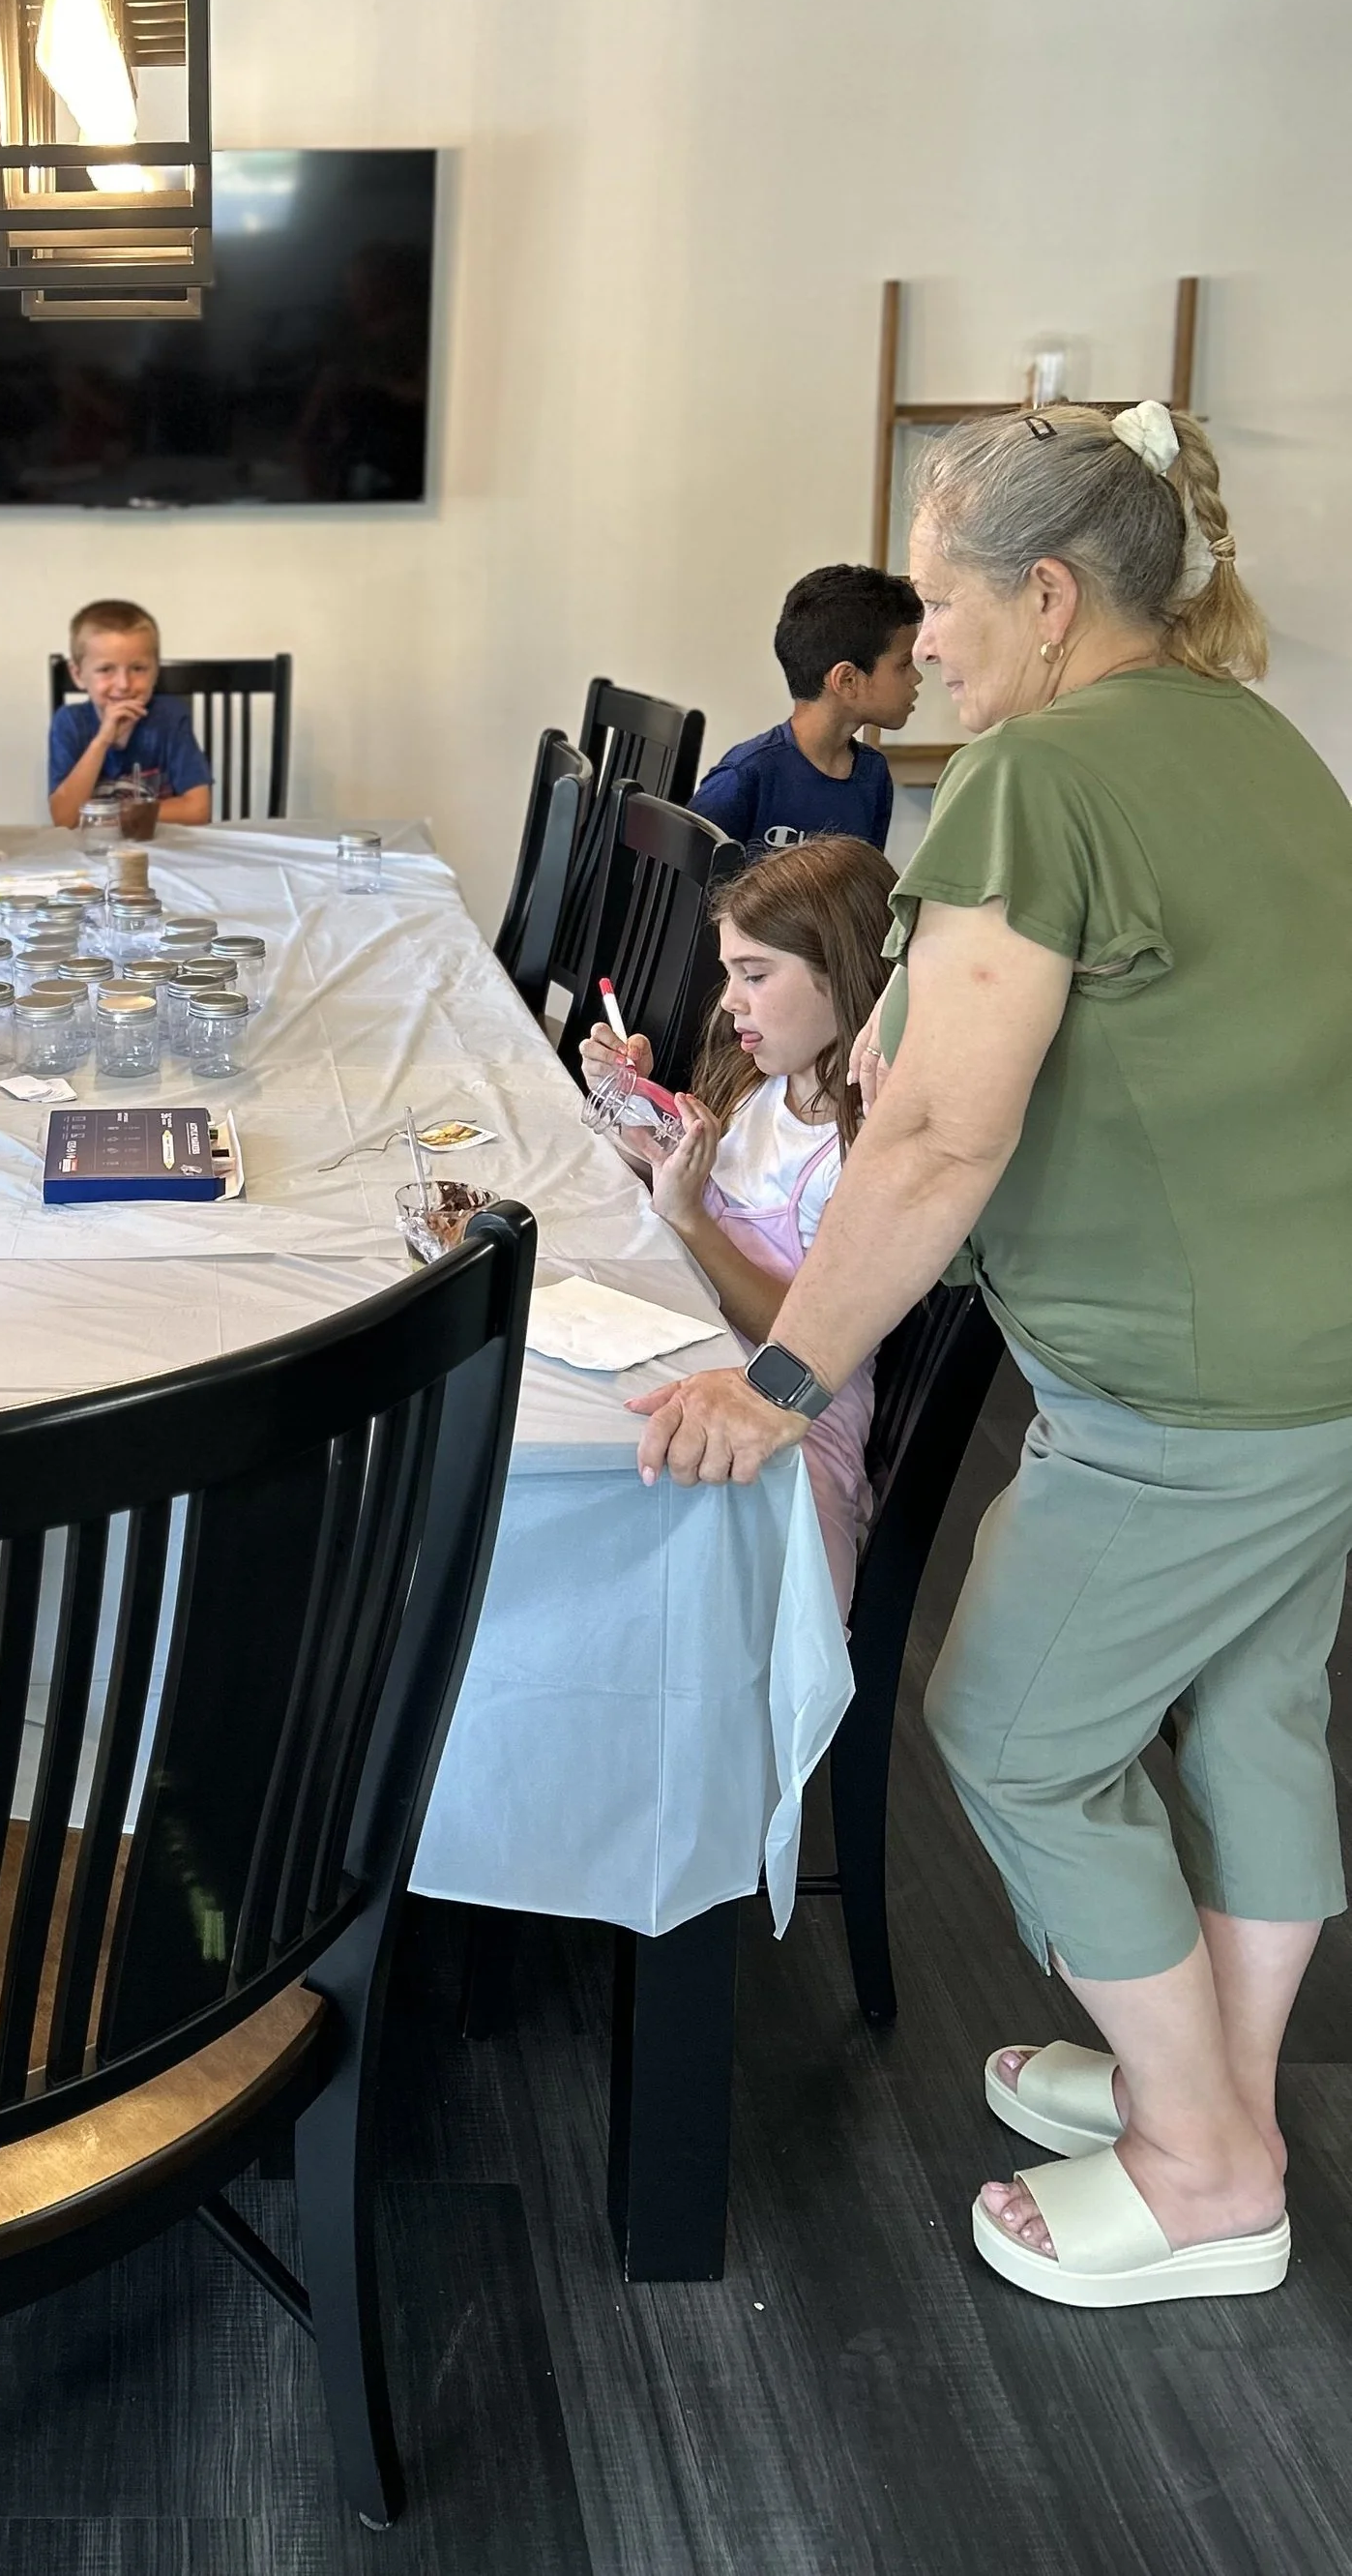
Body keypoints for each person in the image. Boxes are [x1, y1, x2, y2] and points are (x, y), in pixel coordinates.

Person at [632, 400, 1352, 2313]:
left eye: (937, 601)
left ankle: (1202, 2175)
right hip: (1315, 1354)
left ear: (1042, 596)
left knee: (1018, 1738)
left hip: (1178, 1386)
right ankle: (1210, 2098)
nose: (916, 641)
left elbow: (939, 1137)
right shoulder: (1257, 744)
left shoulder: (1035, 780)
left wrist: (775, 1380)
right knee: (1257, 1721)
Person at [581, 837, 896, 1620]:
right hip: (703, 1354)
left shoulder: (859, 1149)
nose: (729, 1000)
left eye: (756, 975)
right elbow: (703, 1194)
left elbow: (801, 1335)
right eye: (729, 974)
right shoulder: (764, 1083)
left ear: (847, 973)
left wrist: (688, 1215)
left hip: (793, 1426)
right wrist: (640, 1120)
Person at [691, 564, 923, 854]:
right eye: (904, 664)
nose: (917, 677)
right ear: (847, 680)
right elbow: (681, 888)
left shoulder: (873, 775)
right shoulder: (745, 777)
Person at [45, 598, 215, 829]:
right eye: (106, 669)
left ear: (155, 672)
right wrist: (102, 741)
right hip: (93, 854)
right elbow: (65, 819)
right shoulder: (70, 723)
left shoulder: (170, 719)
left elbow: (198, 810)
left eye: (138, 669)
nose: (124, 684)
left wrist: (108, 814)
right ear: (77, 675)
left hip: (162, 853)